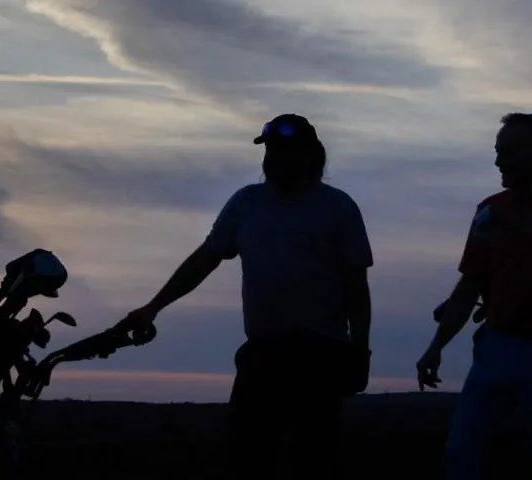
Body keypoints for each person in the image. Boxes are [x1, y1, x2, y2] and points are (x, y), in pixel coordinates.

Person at [114, 113, 374, 479]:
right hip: (263, 357)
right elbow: (204, 260)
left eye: (285, 150)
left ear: (310, 154)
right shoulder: (246, 203)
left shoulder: (339, 208)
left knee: (313, 462)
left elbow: (356, 288)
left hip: (320, 359)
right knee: (246, 460)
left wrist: (359, 352)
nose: (275, 158)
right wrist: (153, 307)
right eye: (271, 150)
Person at [416, 112, 532, 480]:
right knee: (463, 452)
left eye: (508, 152)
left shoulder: (497, 217)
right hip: (498, 347)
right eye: (498, 151)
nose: (498, 161)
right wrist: (436, 347)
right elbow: (470, 284)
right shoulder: (489, 212)